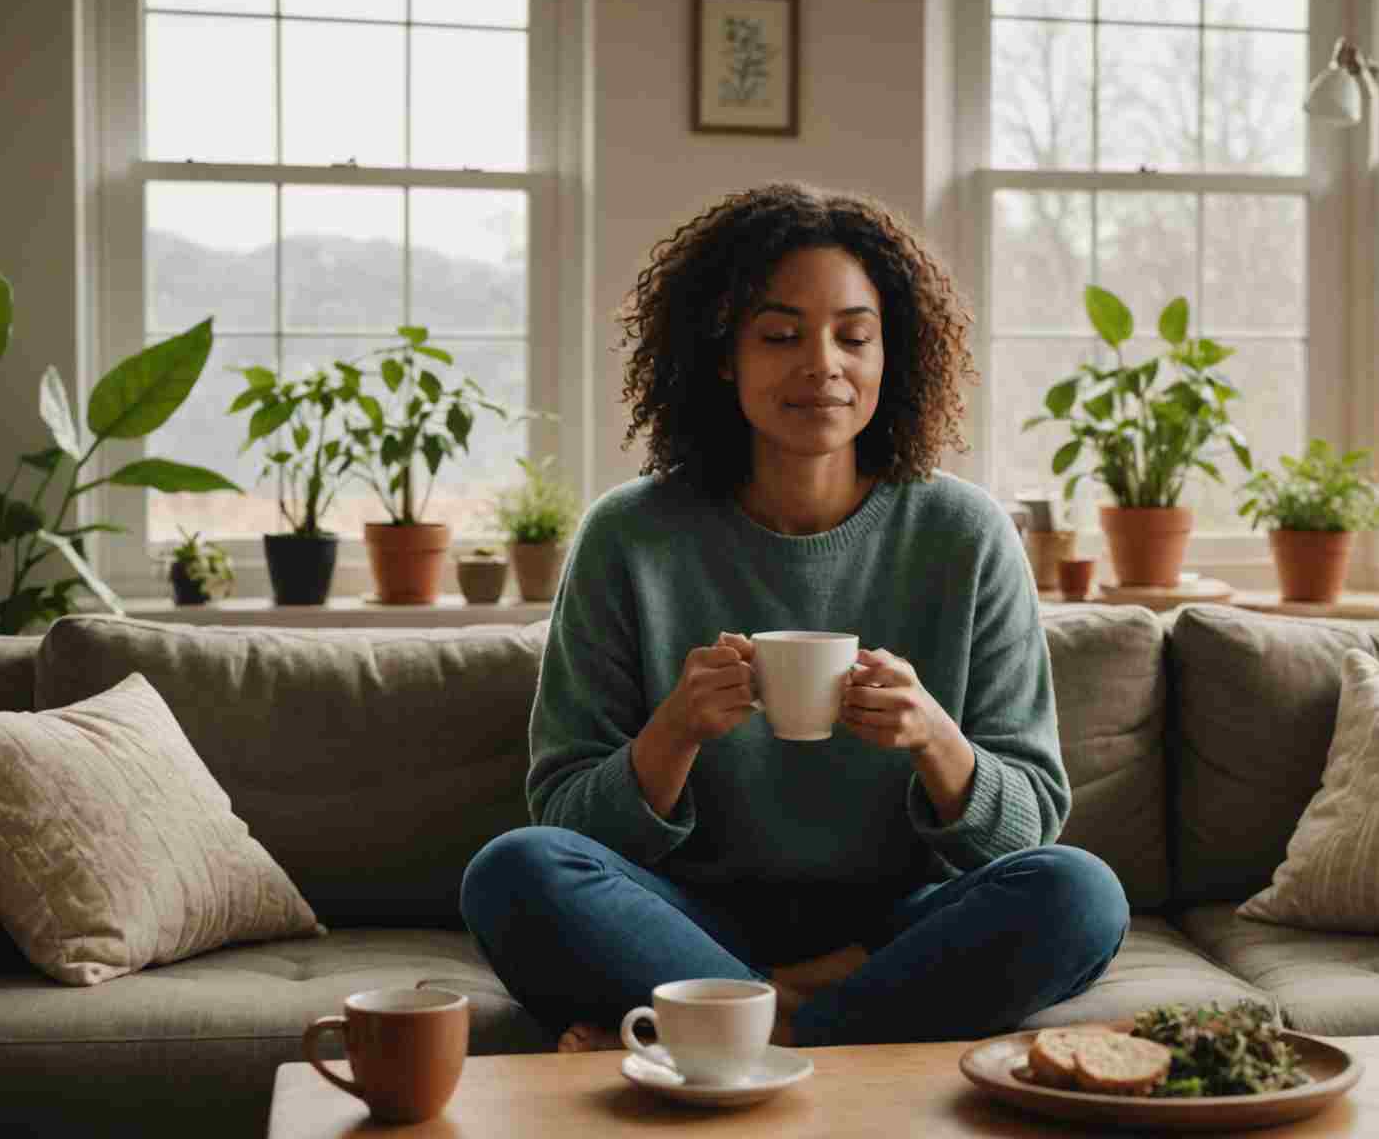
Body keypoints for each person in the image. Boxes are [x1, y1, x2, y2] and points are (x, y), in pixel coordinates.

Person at [460, 183, 1128, 1052]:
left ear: (895, 355)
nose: (824, 365)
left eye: (855, 336)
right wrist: (674, 732)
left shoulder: (965, 535)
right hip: (683, 918)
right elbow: (562, 820)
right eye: (780, 336)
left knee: (1080, 893)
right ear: (724, 355)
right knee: (514, 872)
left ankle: (734, 1029)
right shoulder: (628, 536)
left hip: (896, 930)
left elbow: (1031, 824)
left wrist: (936, 738)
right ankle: (820, 1023)